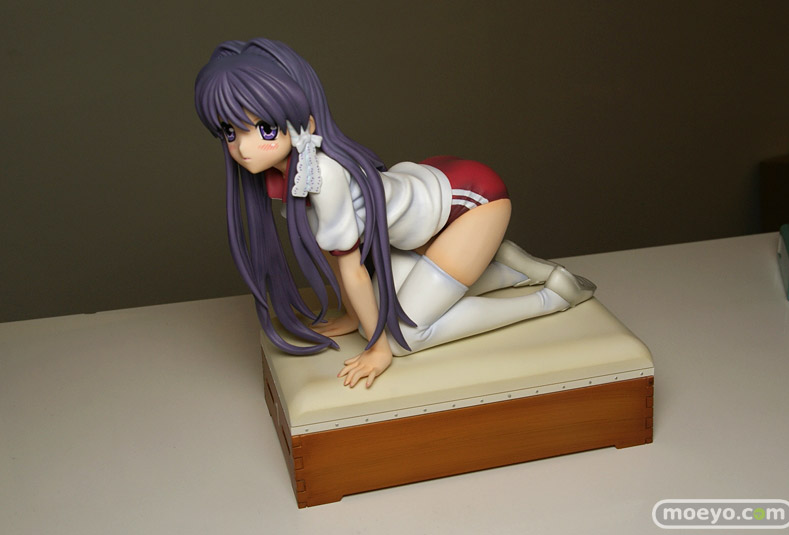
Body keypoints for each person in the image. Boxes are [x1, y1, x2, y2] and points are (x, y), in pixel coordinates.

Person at [194, 38, 595, 388]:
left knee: (406, 335)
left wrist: (377, 349)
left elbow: (351, 267)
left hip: (471, 204)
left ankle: (554, 297)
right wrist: (354, 315)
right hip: (421, 222)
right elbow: (332, 252)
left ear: (306, 124)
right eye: (230, 132)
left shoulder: (324, 174)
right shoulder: (292, 173)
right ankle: (508, 267)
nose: (242, 147)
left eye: (263, 129)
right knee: (387, 309)